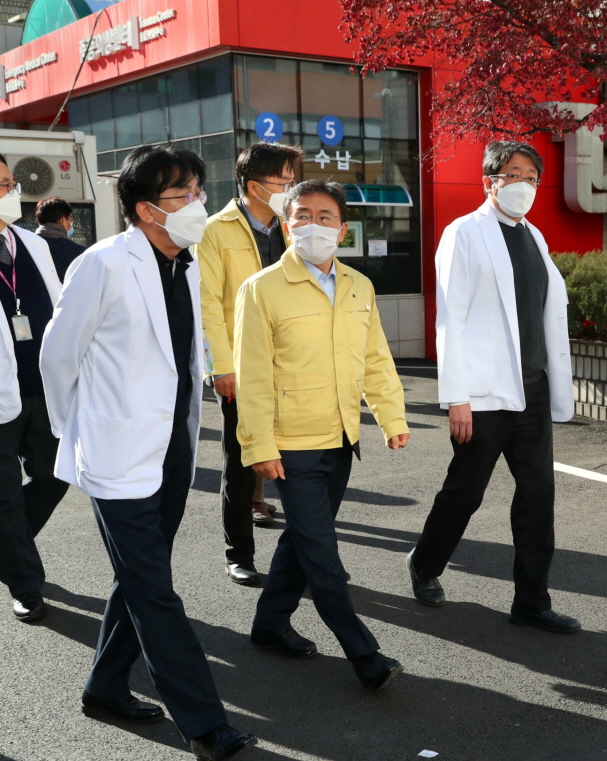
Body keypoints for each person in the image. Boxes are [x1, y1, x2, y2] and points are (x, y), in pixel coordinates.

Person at [40, 145, 256, 761]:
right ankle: (205, 723)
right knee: (156, 590)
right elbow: (58, 357)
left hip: (171, 451)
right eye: (183, 195)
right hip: (115, 454)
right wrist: (76, 431)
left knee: (137, 579)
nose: (199, 204)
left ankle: (105, 687)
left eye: (199, 191)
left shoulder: (185, 265)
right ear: (145, 210)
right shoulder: (104, 264)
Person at [234, 178, 410, 690]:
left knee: (303, 538)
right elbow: (254, 375)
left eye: (325, 216)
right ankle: (363, 653)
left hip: (340, 438)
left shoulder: (359, 285)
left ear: (343, 228)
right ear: (287, 227)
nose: (314, 224)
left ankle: (269, 624)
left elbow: (375, 357)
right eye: (303, 216)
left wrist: (392, 417)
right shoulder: (261, 288)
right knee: (323, 555)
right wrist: (259, 446)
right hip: (290, 444)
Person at [407, 141, 579, 633]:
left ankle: (532, 599)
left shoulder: (534, 237)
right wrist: (456, 397)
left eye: (530, 176)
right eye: (512, 174)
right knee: (466, 491)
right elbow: (450, 319)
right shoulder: (465, 233)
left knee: (537, 496)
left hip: (532, 390)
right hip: (483, 394)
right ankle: (425, 563)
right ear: (489, 182)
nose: (522, 183)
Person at [194, 142, 303, 586]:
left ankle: (305, 557)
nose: (290, 189)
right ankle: (239, 553)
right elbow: (208, 307)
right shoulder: (214, 231)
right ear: (254, 186)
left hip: (295, 364)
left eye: (292, 180)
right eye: (284, 181)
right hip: (242, 367)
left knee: (302, 465)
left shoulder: (295, 226)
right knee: (240, 467)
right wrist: (220, 367)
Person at [0, 155, 69, 624]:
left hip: (43, 388)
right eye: (0, 184)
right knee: (3, 495)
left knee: (56, 473)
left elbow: (61, 307)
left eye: (8, 182)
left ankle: (9, 548)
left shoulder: (31, 243)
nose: (9, 191)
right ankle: (26, 583)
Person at [34, 196, 87, 280]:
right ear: (62, 220)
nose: (71, 223)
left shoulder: (25, 246)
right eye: (71, 219)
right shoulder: (79, 252)